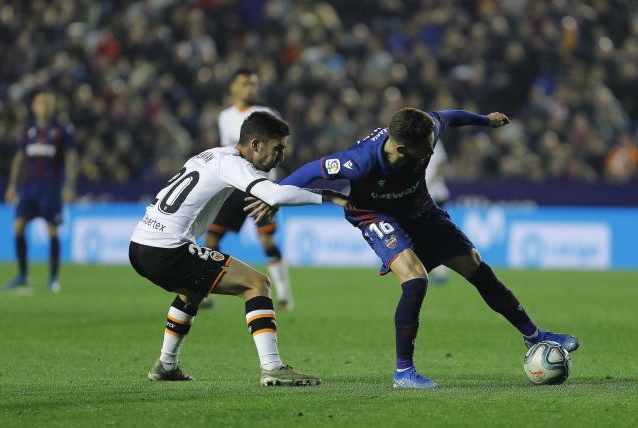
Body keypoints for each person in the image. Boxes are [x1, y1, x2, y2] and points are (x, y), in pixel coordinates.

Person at [246, 108, 579, 389]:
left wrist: (484, 121)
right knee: (415, 278)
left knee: (476, 267)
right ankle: (404, 371)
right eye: (425, 149)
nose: (431, 151)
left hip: (421, 209)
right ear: (402, 148)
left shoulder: (426, 129)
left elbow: (448, 116)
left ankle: (533, 335)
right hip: (373, 213)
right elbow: (310, 170)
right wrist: (273, 195)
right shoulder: (359, 163)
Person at [129, 111, 347, 385]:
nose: (281, 156)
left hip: (140, 243)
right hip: (167, 248)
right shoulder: (233, 164)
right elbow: (274, 193)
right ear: (255, 144)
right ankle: (273, 368)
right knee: (256, 283)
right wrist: (330, 195)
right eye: (277, 148)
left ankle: (166, 365)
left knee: (193, 290)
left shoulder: (211, 155)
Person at [203, 69, 295, 310]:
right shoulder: (225, 116)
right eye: (245, 84)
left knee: (266, 241)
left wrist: (271, 188)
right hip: (233, 186)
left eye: (253, 84)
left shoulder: (266, 115)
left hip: (259, 186)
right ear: (232, 88)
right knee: (211, 239)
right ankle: (205, 292)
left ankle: (285, 295)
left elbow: (278, 152)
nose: (251, 89)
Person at [4, 90, 77, 293]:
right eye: (41, 102)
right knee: (18, 226)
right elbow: (19, 158)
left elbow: (71, 159)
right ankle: (23, 275)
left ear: (53, 106)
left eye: (48, 102)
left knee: (52, 229)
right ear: (34, 106)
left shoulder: (62, 131)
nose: (44, 106)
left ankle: (53, 278)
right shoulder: (28, 130)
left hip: (51, 188)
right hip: (28, 187)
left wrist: (69, 186)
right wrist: (12, 185)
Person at [424, 142, 450, 284]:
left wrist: (426, 185)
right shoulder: (409, 139)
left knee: (431, 235)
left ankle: (440, 271)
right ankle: (438, 270)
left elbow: (440, 165)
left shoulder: (432, 139)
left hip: (434, 195)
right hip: (422, 196)